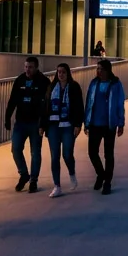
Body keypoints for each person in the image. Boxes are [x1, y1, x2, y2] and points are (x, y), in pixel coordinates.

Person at [6, 56, 50, 194]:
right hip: (21, 122)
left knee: (35, 152)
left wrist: (44, 123)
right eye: (26, 67)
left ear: (36, 67)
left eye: (30, 67)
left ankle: (33, 180)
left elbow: (47, 104)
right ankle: (24, 174)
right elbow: (13, 99)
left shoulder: (44, 81)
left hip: (36, 123)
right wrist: (7, 117)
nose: (27, 70)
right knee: (15, 149)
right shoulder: (20, 80)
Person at [42, 63, 84, 198]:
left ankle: (72, 173)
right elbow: (45, 106)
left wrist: (78, 124)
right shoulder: (51, 87)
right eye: (59, 72)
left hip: (68, 125)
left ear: (68, 73)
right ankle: (57, 186)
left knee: (67, 154)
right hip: (53, 125)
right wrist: (42, 125)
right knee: (55, 156)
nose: (61, 74)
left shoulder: (74, 87)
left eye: (63, 72)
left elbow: (78, 106)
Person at [84, 58, 125, 195]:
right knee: (92, 152)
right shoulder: (94, 83)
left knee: (109, 155)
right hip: (95, 124)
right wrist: (86, 122)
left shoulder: (115, 84)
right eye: (97, 69)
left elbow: (120, 104)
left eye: (101, 69)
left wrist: (120, 122)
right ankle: (100, 174)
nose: (98, 71)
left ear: (108, 70)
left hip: (109, 125)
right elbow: (88, 103)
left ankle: (107, 182)